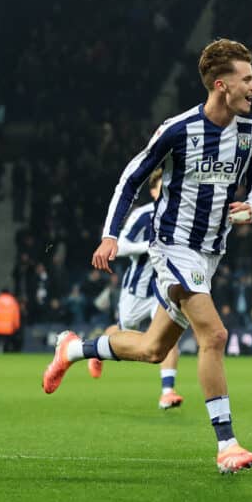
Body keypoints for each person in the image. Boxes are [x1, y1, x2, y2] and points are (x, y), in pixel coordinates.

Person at [42, 38, 252, 474]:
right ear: (222, 85)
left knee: (151, 348)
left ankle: (72, 349)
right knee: (214, 336)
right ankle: (227, 446)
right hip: (172, 247)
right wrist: (110, 235)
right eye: (248, 78)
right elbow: (130, 179)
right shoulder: (178, 129)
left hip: (209, 253)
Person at [86, 168, 184, 410]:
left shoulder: (182, 214)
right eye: (162, 185)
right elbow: (121, 247)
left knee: (168, 338)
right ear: (152, 191)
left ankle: (167, 391)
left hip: (163, 289)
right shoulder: (143, 215)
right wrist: (149, 246)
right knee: (123, 331)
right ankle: (97, 348)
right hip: (137, 289)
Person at [0, 288, 21, 353]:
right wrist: (17, 325)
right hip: (8, 327)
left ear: (1, 292)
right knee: (7, 343)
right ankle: (6, 353)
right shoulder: (13, 301)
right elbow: (16, 314)